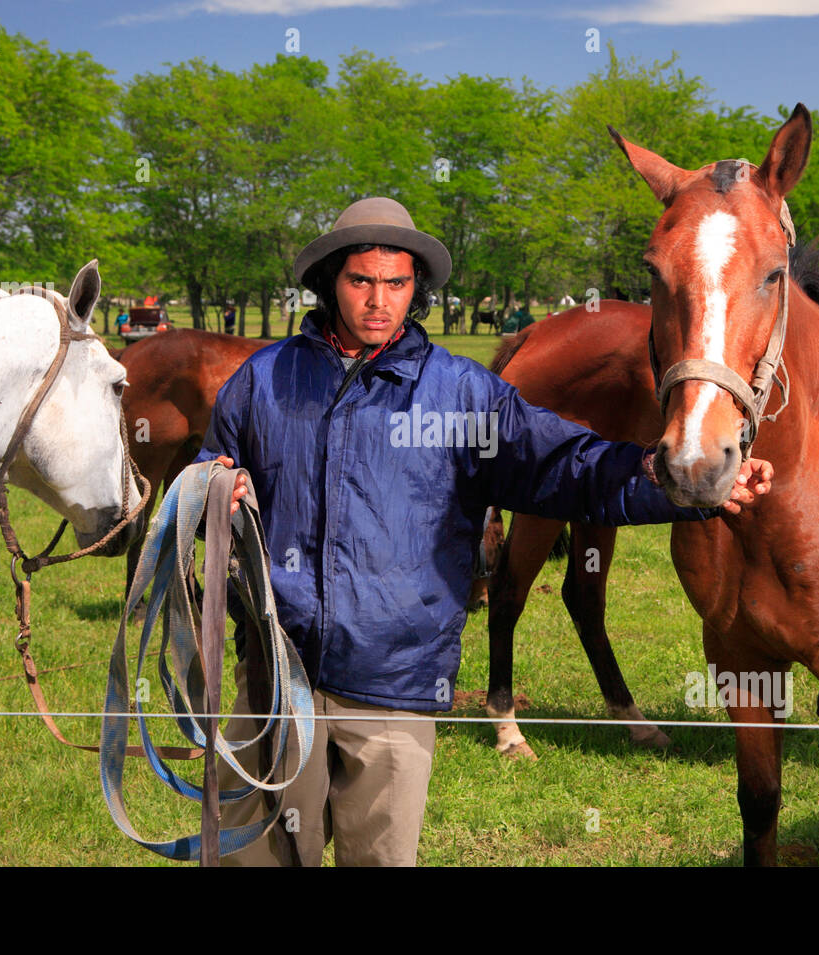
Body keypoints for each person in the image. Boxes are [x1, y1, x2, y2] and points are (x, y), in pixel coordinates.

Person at [196, 197, 772, 866]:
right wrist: (212, 488)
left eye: (396, 283)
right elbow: (212, 476)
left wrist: (677, 478)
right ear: (330, 281)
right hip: (273, 676)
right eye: (361, 281)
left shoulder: (461, 395)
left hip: (394, 687)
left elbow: (569, 466)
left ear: (417, 290)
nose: (378, 301)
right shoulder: (264, 381)